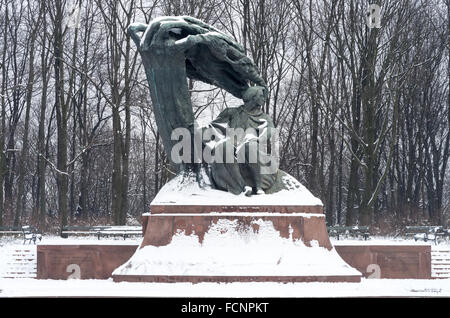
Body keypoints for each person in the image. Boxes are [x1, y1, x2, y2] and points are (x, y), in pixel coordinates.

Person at [207, 86, 276, 196]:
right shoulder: (232, 112)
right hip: (232, 150)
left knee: (251, 145)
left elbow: (270, 131)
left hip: (253, 153)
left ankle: (258, 187)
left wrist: (258, 138)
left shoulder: (264, 118)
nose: (264, 99)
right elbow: (213, 126)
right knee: (224, 146)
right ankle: (243, 187)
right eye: (261, 96)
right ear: (253, 98)